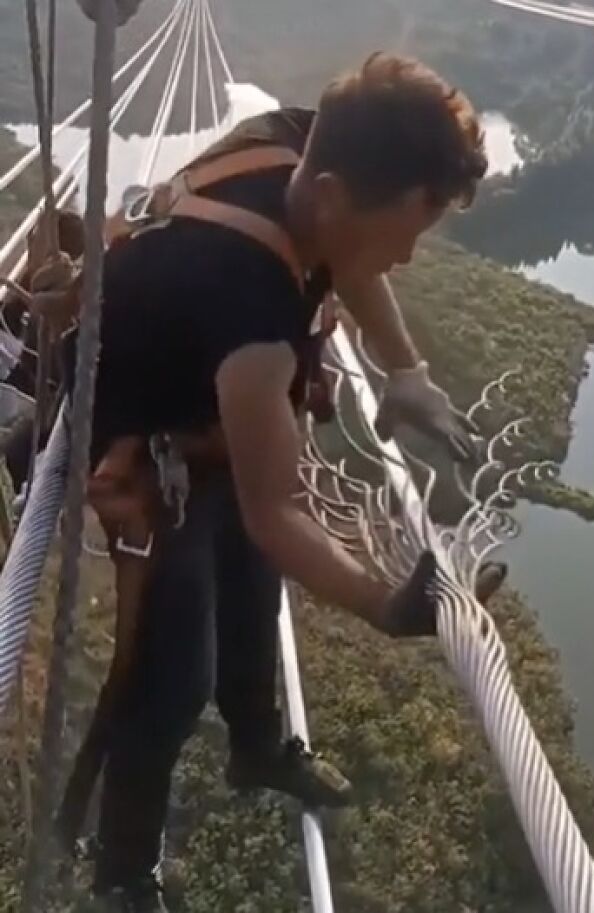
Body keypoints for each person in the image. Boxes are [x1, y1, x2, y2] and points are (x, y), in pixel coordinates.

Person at [50, 51, 500, 912]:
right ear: (331, 197)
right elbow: (278, 511)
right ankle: (123, 877)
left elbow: (351, 256)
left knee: (256, 596)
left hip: (205, 399)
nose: (406, 255)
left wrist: (405, 371)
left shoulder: (297, 140)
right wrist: (388, 605)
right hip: (145, 445)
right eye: (407, 228)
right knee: (173, 672)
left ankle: (257, 744)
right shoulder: (250, 312)